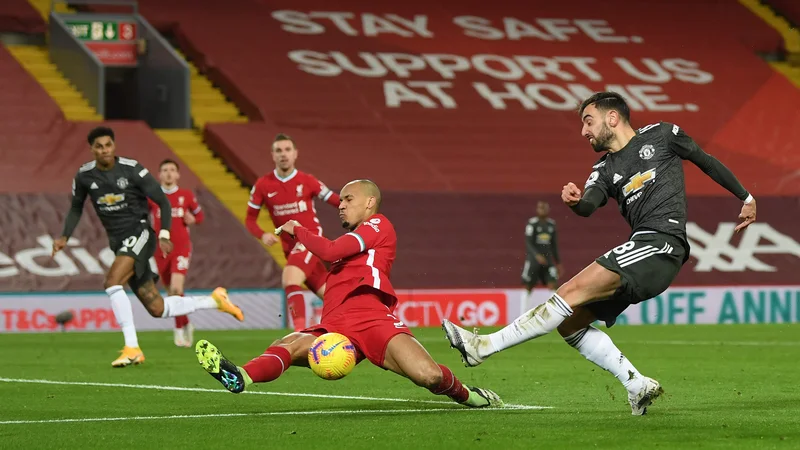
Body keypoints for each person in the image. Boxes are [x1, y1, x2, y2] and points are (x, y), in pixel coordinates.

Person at [443, 91, 756, 415]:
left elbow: (704, 160)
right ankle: (636, 383)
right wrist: (577, 202)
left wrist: (746, 198)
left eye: (588, 121)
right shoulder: (604, 168)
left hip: (661, 243)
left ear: (612, 118)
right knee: (571, 324)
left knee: (569, 292)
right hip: (644, 249)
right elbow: (590, 203)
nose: (584, 131)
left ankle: (483, 347)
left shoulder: (663, 135)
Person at [197, 180, 503, 408]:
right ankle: (240, 376)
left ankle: (469, 396)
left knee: (429, 376)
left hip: (371, 317)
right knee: (288, 344)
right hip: (335, 322)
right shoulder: (352, 240)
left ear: (370, 202)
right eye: (340, 199)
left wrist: (297, 228)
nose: (340, 204)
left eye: (348, 198)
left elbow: (329, 250)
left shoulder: (378, 224)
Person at [52, 126, 244, 367]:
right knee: (157, 306)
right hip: (118, 241)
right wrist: (64, 236)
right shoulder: (84, 175)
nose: (104, 150)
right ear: (91, 149)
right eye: (99, 146)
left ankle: (132, 347)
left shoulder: (132, 169)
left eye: (108, 145)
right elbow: (76, 207)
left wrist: (163, 233)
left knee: (112, 283)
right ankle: (214, 301)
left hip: (140, 233)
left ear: (114, 146)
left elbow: (163, 201)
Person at [245, 133, 340, 331]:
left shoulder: (308, 181)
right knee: (332, 296)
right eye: (278, 150)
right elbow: (250, 219)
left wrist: (356, 208)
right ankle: (366, 322)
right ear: (272, 155)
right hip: (289, 247)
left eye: (287, 150)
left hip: (309, 239)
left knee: (290, 279)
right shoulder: (263, 185)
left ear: (295, 154)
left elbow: (335, 200)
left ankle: (299, 332)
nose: (283, 154)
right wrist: (262, 234)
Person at [148, 159, 204, 348]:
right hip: (160, 249)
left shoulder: (186, 195)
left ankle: (178, 331)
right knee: (172, 293)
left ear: (178, 174)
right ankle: (186, 323)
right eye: (165, 170)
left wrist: (193, 219)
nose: (169, 173)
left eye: (172, 170)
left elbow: (200, 216)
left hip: (181, 248)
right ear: (159, 175)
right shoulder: (153, 197)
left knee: (175, 289)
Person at [521, 201, 562, 306]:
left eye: (544, 208)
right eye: (540, 208)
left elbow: (554, 245)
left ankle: (552, 313)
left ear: (548, 210)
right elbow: (528, 242)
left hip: (548, 260)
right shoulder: (532, 224)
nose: (542, 210)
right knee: (528, 286)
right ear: (537, 210)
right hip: (533, 261)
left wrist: (558, 262)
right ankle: (522, 314)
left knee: (553, 284)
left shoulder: (551, 224)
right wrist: (536, 255)